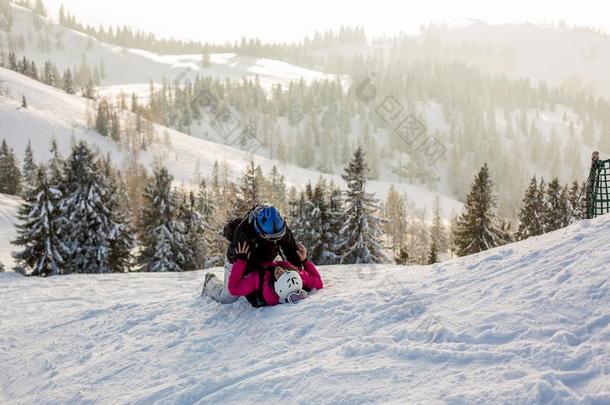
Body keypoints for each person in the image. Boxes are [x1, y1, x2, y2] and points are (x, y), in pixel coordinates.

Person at [202, 204, 302, 304]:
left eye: (278, 237)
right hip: (240, 260)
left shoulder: (279, 228)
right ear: (259, 231)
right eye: (271, 238)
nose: (275, 240)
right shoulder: (243, 234)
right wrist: (258, 284)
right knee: (227, 298)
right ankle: (210, 281)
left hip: (269, 259)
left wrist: (297, 276)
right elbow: (246, 274)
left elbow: (291, 251)